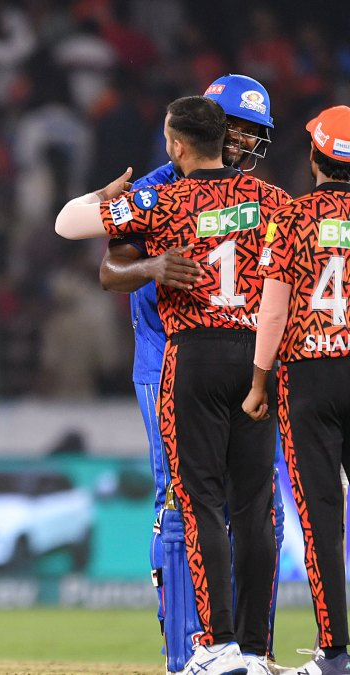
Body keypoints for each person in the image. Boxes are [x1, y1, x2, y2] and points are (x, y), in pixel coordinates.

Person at [56, 95, 288, 675]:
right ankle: (245, 649)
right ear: (219, 132)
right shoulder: (271, 199)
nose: (247, 142)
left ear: (178, 142)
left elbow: (68, 225)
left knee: (195, 502)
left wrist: (108, 202)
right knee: (256, 507)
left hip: (190, 357)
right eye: (240, 130)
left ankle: (216, 645)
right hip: (257, 357)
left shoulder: (161, 197)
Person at [243, 105, 350, 675]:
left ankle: (335, 654)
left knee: (321, 519)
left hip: (308, 378)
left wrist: (258, 382)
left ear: (315, 157)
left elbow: (273, 310)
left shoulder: (291, 216)